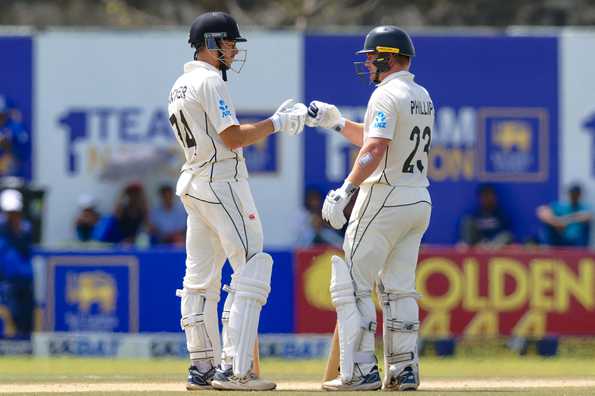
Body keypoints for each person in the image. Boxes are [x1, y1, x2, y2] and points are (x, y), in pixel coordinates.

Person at [167, 12, 306, 391]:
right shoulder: (210, 81)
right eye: (229, 43)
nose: (233, 50)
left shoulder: (179, 84)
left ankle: (203, 367)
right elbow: (232, 138)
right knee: (252, 266)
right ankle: (235, 369)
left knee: (199, 281)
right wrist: (277, 122)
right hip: (221, 181)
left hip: (195, 183)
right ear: (211, 44)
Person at [306, 26, 433, 391]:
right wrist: (337, 123)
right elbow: (379, 138)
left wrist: (345, 190)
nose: (367, 65)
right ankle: (404, 370)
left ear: (386, 56)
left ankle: (360, 372)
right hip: (417, 198)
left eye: (370, 57)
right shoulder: (421, 94)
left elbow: (375, 150)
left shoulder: (385, 94)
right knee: (399, 288)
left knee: (352, 285)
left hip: (385, 198)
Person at [0, 189, 34, 338]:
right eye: (9, 212)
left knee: (26, 315)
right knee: (12, 312)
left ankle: (26, 346)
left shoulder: (25, 228)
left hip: (25, 279)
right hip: (7, 279)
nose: (12, 215)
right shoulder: (2, 228)